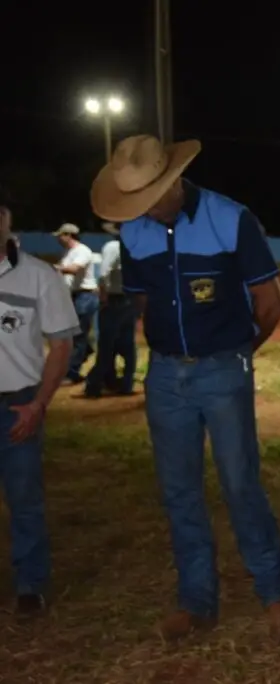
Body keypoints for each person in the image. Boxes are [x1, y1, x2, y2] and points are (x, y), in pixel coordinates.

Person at [89, 135, 280, 641]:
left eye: (147, 197)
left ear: (173, 181)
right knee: (179, 492)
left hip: (223, 370)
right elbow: (143, 302)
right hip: (164, 376)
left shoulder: (230, 219)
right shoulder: (134, 232)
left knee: (240, 484)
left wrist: (237, 354)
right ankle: (196, 600)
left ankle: (275, 594)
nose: (140, 210)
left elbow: (269, 304)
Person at [0, 202, 79, 617]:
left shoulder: (38, 277)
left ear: (6, 221)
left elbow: (61, 346)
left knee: (24, 497)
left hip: (17, 405)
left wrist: (38, 405)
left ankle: (30, 583)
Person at [84, 222, 137, 397]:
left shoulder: (113, 246)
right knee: (127, 344)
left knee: (107, 344)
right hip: (129, 299)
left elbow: (103, 273)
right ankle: (125, 383)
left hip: (115, 300)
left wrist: (103, 296)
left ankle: (95, 383)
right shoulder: (135, 246)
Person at [52, 223, 98, 383]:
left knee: (77, 335)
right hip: (77, 296)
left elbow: (73, 269)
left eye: (60, 235)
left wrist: (53, 268)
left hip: (84, 296)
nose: (58, 238)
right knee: (78, 334)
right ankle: (86, 351)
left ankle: (71, 372)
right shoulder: (71, 252)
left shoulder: (82, 251)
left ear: (68, 235)